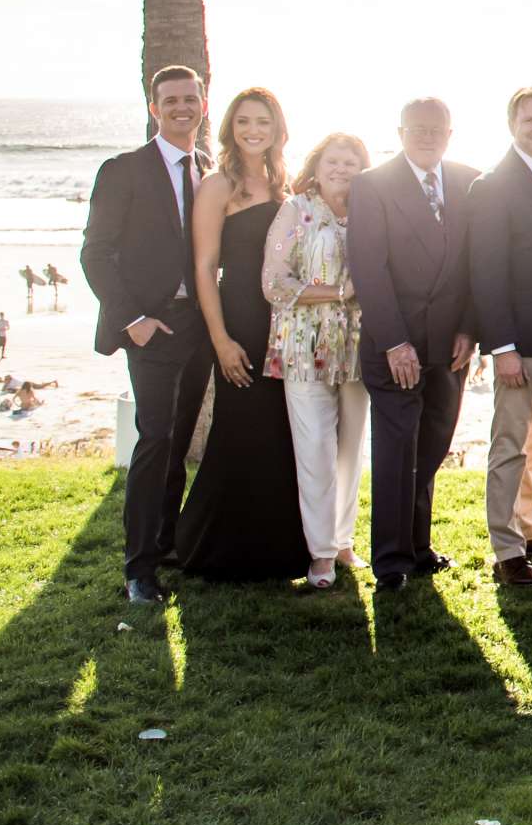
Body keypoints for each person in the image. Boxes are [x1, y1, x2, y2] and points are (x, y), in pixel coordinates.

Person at [81, 65, 216, 605]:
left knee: (180, 440)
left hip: (201, 325)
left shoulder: (209, 170)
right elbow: (95, 252)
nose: (182, 107)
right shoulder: (124, 170)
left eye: (190, 98)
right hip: (151, 327)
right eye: (170, 100)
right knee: (155, 437)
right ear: (153, 108)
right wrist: (132, 319)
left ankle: (166, 545)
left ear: (203, 105)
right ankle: (139, 569)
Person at [174, 86, 308, 582]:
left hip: (286, 325)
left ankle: (280, 551)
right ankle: (218, 549)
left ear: (278, 129)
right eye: (245, 121)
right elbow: (205, 268)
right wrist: (221, 339)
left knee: (279, 433)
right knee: (239, 430)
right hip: (240, 320)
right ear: (231, 126)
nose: (254, 130)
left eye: (264, 122)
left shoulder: (286, 184)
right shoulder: (218, 185)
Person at [348, 97, 480, 594]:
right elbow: (369, 268)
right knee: (396, 451)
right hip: (394, 345)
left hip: (450, 346)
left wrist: (470, 328)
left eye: (437, 129)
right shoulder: (372, 185)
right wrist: (395, 341)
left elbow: (475, 263)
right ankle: (391, 562)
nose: (428, 136)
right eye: (418, 128)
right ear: (401, 132)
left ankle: (419, 547)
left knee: (432, 446)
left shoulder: (470, 181)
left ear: (450, 133)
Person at [464, 86, 532, 589]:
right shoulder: (492, 186)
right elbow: (485, 272)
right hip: (519, 344)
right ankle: (506, 551)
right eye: (530, 120)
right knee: (509, 443)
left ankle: (530, 526)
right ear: (512, 124)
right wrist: (501, 346)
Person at [265, 133, 371, 589]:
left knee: (351, 451)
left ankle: (343, 541)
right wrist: (337, 293)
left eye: (351, 161)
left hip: (360, 348)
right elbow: (273, 280)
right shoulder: (297, 210)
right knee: (315, 452)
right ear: (317, 163)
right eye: (334, 160)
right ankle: (321, 553)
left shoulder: (371, 212)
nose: (341, 168)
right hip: (304, 347)